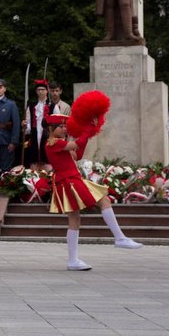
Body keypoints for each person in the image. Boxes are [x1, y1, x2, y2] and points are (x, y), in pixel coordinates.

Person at [44, 114, 142, 271]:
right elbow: (77, 143)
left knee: (75, 219)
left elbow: (78, 154)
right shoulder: (54, 143)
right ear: (51, 129)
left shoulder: (59, 144)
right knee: (104, 201)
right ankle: (119, 237)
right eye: (60, 127)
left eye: (64, 126)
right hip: (70, 181)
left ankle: (73, 260)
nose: (64, 129)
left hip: (70, 181)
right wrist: (89, 128)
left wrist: (87, 132)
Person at [22, 79, 53, 171]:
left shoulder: (53, 106)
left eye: (42, 90)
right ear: (36, 92)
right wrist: (24, 125)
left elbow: (57, 124)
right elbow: (28, 125)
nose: (40, 92)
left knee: (48, 161)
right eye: (38, 90)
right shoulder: (32, 106)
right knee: (34, 161)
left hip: (48, 136)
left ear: (47, 91)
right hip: (35, 135)